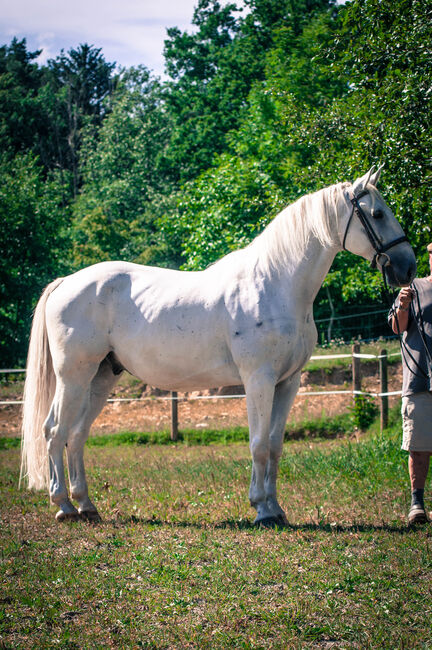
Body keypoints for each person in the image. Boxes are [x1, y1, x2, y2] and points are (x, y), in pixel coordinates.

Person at [389, 243, 432, 525]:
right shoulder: (413, 288)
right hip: (419, 378)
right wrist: (403, 305)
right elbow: (397, 327)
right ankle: (417, 503)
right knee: (418, 446)